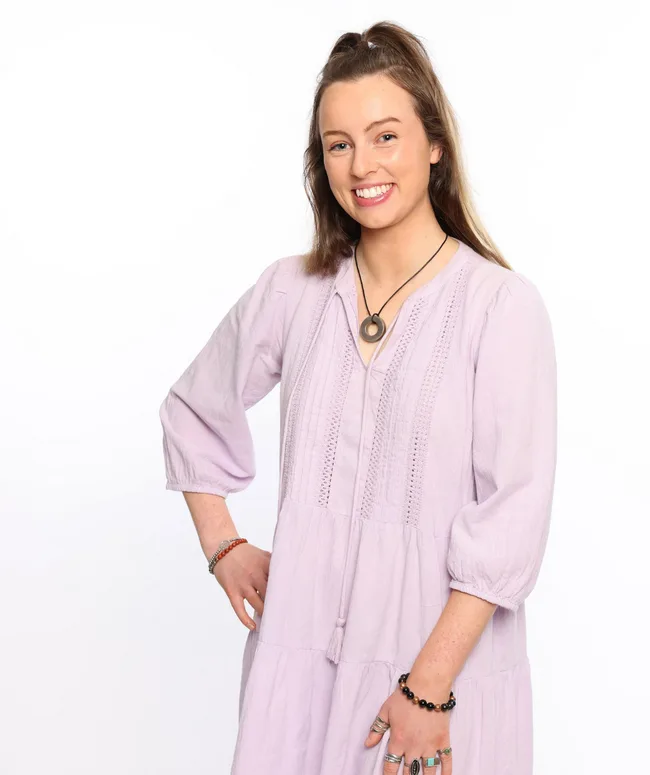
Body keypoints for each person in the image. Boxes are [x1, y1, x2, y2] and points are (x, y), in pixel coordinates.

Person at [158, 20, 557, 775]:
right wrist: (223, 546)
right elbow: (192, 407)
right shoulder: (291, 290)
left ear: (434, 143)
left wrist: (427, 689)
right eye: (338, 144)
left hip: (436, 680)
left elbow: (512, 516)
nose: (362, 165)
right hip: (298, 665)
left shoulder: (500, 308)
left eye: (385, 136)